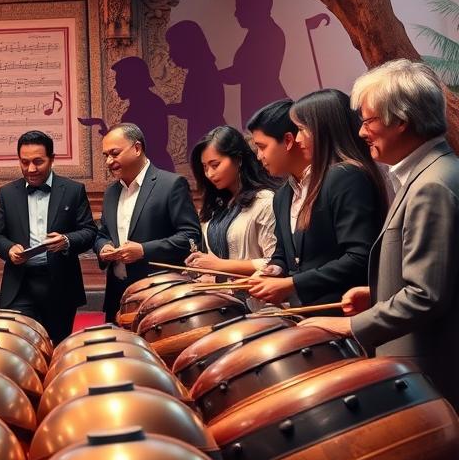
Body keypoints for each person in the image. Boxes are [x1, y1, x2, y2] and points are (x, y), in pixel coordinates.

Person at [300, 61, 459, 410]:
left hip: (431, 376)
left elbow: (426, 296)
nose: (361, 132)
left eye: (368, 121)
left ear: (400, 120)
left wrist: (350, 326)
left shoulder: (432, 185)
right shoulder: (426, 175)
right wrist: (378, 292)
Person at [247, 91, 386, 310]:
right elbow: (285, 255)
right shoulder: (283, 195)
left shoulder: (345, 177)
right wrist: (272, 270)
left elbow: (359, 257)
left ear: (324, 131)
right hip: (305, 313)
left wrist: (291, 284)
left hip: (345, 312)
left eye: (302, 130)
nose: (299, 138)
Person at [0, 131, 97, 342]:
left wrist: (66, 241)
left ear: (52, 159)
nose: (31, 169)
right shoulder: (7, 193)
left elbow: (89, 231)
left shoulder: (73, 190)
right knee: (18, 348)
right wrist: (9, 249)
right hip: (20, 285)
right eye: (25, 162)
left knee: (57, 347)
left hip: (60, 285)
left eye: (38, 162)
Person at [94, 123, 201, 324]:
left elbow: (191, 238)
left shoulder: (171, 184)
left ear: (137, 148)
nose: (109, 161)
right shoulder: (111, 192)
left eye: (114, 153)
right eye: (105, 155)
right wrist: (104, 247)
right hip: (118, 297)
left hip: (159, 296)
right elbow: (103, 234)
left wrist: (143, 250)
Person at [185, 125, 280, 277]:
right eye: (204, 167)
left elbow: (274, 263)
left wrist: (219, 265)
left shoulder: (264, 200)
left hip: (256, 297)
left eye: (215, 165)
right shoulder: (218, 204)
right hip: (223, 295)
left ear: (239, 160)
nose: (209, 174)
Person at [221, 0, 288, 126]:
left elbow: (242, 72)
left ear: (254, 7)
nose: (236, 13)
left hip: (267, 107)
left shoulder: (267, 34)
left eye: (240, 7)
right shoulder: (257, 33)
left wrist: (211, 75)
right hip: (263, 106)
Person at [165, 20, 226, 160]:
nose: (170, 53)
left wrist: (167, 109)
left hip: (207, 138)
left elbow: (194, 109)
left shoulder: (202, 72)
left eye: (173, 47)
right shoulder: (202, 69)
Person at [110, 55, 175, 171]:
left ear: (131, 80)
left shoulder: (151, 105)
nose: (115, 86)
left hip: (154, 170)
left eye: (119, 80)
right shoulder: (147, 104)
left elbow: (152, 145)